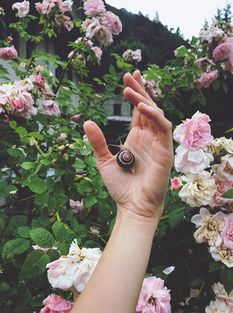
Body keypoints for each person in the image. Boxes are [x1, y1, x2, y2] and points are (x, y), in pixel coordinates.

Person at [71, 70, 173, 313]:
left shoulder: (131, 169)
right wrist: (137, 215)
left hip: (137, 212)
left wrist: (138, 214)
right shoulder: (126, 158)